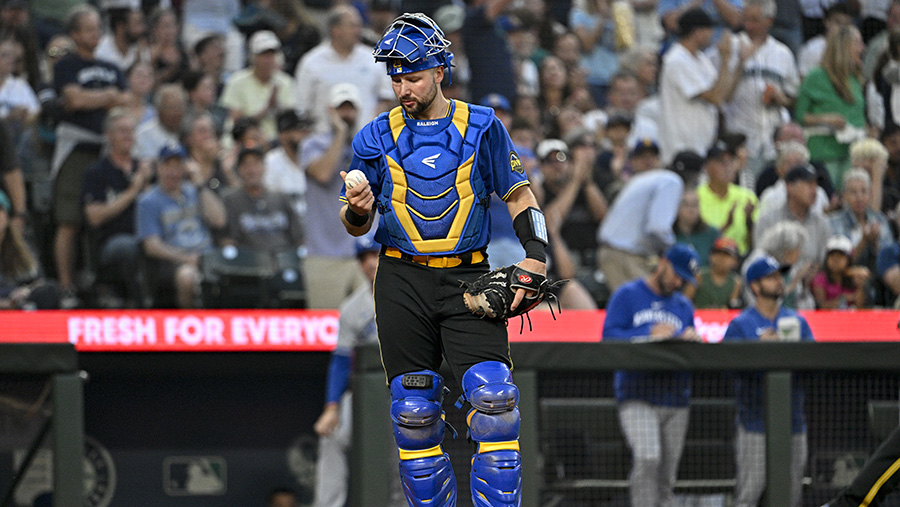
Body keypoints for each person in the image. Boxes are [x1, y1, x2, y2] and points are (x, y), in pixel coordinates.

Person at [338, 13, 548, 506]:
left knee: (495, 402)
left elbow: (519, 195)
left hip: (468, 279)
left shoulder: (482, 126)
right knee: (413, 414)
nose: (403, 88)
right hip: (400, 279)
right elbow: (356, 223)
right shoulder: (373, 135)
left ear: (440, 71)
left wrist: (537, 255)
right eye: (396, 78)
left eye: (412, 76)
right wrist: (358, 210)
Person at [602, 243, 702, 507]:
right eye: (676, 274)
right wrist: (648, 334)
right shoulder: (627, 295)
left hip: (675, 398)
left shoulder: (683, 305)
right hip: (637, 394)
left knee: (667, 478)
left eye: (684, 279)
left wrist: (689, 339)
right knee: (648, 457)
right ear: (663, 263)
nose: (679, 282)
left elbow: (690, 347)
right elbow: (609, 339)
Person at [312, 236, 404, 507]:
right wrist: (331, 406)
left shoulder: (410, 296)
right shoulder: (352, 308)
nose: (371, 263)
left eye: (376, 255)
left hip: (409, 389)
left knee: (407, 448)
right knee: (332, 433)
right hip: (369, 394)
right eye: (364, 258)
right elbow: (340, 361)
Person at [723, 255, 816, 507]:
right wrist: (758, 351)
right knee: (749, 494)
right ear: (755, 286)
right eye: (771, 277)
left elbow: (815, 363)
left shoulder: (797, 321)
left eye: (779, 276)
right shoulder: (741, 325)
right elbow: (725, 370)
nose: (779, 281)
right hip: (754, 423)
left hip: (793, 422)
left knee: (791, 495)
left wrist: (792, 351)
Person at [52, 4, 129, 305]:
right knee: (68, 219)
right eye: (89, 28)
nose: (96, 34)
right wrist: (107, 97)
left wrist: (97, 99)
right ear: (74, 34)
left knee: (104, 221)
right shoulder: (66, 65)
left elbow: (126, 101)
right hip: (75, 147)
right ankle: (66, 286)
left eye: (98, 28)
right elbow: (74, 99)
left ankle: (101, 285)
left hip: (107, 148)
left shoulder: (112, 67)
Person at [136, 144, 226, 308]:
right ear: (158, 168)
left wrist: (200, 185)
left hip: (208, 256)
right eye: (168, 165)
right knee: (188, 277)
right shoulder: (148, 201)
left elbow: (219, 220)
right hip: (172, 261)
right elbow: (151, 246)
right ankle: (190, 324)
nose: (173, 171)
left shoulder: (194, 191)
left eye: (178, 166)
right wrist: (188, 258)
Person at [81, 108, 152, 308]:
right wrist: (133, 190)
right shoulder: (97, 172)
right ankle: (141, 308)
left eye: (131, 130)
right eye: (122, 131)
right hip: (113, 240)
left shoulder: (145, 168)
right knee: (131, 247)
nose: (128, 135)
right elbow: (94, 217)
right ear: (108, 135)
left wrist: (147, 186)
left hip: (151, 235)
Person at [657, 7, 743, 164]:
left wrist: (738, 63)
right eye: (709, 29)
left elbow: (724, 96)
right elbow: (715, 98)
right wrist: (725, 59)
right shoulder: (676, 60)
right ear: (697, 32)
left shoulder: (701, 59)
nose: (712, 34)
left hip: (702, 143)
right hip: (681, 146)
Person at [294, 5, 392, 134]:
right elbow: (301, 107)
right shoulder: (311, 62)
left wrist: (372, 123)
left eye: (359, 26)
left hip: (365, 139)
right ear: (336, 30)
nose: (358, 31)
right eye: (353, 26)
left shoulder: (373, 58)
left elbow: (387, 97)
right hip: (323, 139)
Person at [794, 25, 867, 188]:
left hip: (852, 155)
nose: (863, 48)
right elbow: (799, 116)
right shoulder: (816, 76)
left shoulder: (856, 80)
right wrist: (826, 119)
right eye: (857, 43)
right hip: (825, 154)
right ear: (843, 47)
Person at [221, 146, 303, 254]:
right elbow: (228, 239)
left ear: (264, 167)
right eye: (246, 165)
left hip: (283, 259)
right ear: (239, 169)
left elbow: (298, 236)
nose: (252, 170)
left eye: (256, 164)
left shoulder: (281, 197)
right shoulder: (231, 199)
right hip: (249, 262)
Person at [220, 30, 297, 143]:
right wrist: (266, 110)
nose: (268, 60)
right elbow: (237, 121)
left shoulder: (285, 82)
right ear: (253, 57)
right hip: (242, 142)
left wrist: (277, 106)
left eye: (271, 55)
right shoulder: (237, 81)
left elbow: (291, 119)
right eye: (263, 55)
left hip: (275, 142)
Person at [697, 140, 759, 256]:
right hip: (708, 259)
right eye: (721, 162)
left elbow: (757, 242)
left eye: (731, 161)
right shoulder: (696, 198)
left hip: (740, 259)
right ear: (707, 168)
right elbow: (698, 241)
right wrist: (725, 226)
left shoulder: (747, 197)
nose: (727, 167)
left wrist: (749, 222)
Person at [810, 234, 870, 309]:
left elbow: (860, 307)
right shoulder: (820, 279)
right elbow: (822, 306)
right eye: (832, 256)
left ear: (848, 260)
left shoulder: (853, 277)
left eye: (840, 256)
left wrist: (860, 286)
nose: (836, 260)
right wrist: (843, 299)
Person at [685, 237, 742, 308]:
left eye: (726, 255)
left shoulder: (735, 282)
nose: (721, 258)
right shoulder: (699, 276)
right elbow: (685, 300)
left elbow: (732, 306)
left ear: (735, 261)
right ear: (710, 256)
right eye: (717, 253)